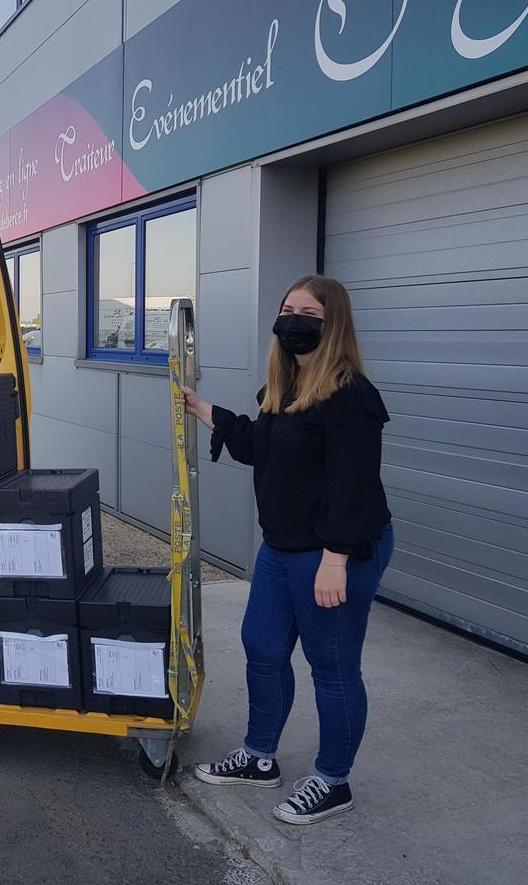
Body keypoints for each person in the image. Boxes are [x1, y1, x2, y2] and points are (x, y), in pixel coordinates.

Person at [184, 275, 395, 825]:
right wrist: (203, 408)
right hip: (282, 548)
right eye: (287, 310)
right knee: (263, 646)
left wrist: (336, 560)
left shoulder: (351, 397)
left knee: (333, 667)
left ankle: (333, 780)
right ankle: (259, 757)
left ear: (334, 325)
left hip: (334, 551)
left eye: (308, 313)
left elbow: (353, 486)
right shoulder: (285, 388)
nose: (292, 321)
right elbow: (261, 446)